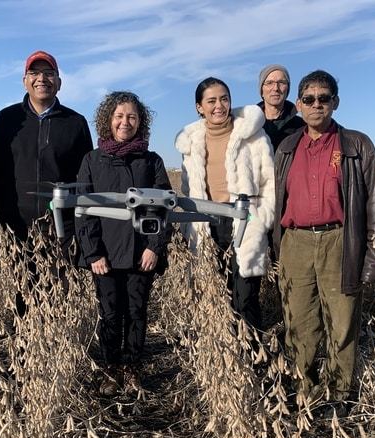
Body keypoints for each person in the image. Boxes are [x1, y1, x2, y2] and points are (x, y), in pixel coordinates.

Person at [272, 70, 375, 405]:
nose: (316, 105)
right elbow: (274, 201)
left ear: (335, 103)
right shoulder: (286, 148)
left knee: (342, 325)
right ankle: (305, 391)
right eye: (309, 99)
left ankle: (338, 395)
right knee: (299, 323)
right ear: (298, 105)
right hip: (295, 243)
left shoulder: (357, 145)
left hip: (340, 242)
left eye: (323, 98)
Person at [76, 91, 172, 397]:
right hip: (104, 255)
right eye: (119, 116)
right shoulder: (92, 160)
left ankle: (132, 368)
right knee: (110, 314)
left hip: (139, 253)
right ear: (108, 120)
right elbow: (83, 211)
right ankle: (111, 369)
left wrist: (153, 247)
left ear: (140, 122)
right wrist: (93, 253)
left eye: (132, 117)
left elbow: (162, 208)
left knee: (136, 312)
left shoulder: (151, 161)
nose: (125, 122)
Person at [175, 77, 275, 331]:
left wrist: (261, 220)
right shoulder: (191, 142)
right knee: (214, 294)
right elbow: (189, 190)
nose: (219, 106)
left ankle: (253, 358)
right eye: (211, 101)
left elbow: (270, 184)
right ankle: (224, 357)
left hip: (245, 222)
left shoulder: (253, 135)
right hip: (206, 224)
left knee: (245, 297)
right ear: (199, 107)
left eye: (224, 99)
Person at [0, 50, 93, 255]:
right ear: (25, 81)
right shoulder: (7, 119)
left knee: (62, 287)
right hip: (17, 228)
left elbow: (86, 177)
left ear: (59, 82)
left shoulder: (76, 122)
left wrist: (76, 222)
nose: (41, 79)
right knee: (22, 287)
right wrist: (5, 217)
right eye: (34, 73)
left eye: (48, 73)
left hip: (64, 230)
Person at [257, 64, 305, 153]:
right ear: (262, 90)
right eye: (269, 83)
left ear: (287, 89)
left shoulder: (302, 126)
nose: (275, 88)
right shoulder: (249, 124)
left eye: (281, 82)